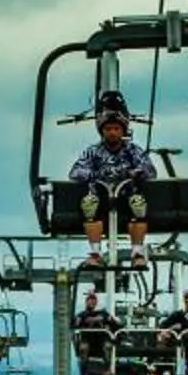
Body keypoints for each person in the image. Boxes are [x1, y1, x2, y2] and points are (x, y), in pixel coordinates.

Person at [71, 109, 154, 266]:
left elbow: (150, 171)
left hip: (127, 195)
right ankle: (95, 253)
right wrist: (97, 174)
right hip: (101, 195)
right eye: (108, 129)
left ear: (123, 130)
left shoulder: (133, 150)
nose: (112, 133)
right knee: (89, 204)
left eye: (116, 129)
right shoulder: (93, 151)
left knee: (138, 204)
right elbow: (75, 172)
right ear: (102, 131)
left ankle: (137, 253)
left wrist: (137, 173)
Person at [74, 290, 114, 375]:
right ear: (86, 301)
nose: (92, 302)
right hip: (87, 339)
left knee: (108, 346)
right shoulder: (81, 315)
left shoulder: (103, 314)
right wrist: (90, 320)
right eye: (90, 299)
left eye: (94, 299)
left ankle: (107, 369)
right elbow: (75, 325)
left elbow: (114, 324)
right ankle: (83, 371)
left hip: (101, 340)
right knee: (83, 348)